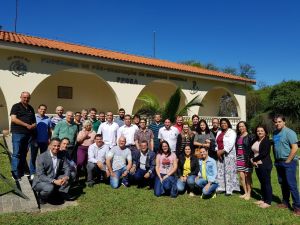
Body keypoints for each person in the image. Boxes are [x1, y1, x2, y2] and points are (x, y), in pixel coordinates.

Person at [273, 115, 300, 215]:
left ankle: (297, 207)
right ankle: (285, 202)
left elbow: (295, 148)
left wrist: (288, 160)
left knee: (291, 184)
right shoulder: (275, 133)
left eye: (279, 122)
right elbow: (275, 146)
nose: (277, 124)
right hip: (279, 162)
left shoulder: (290, 133)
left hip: (289, 162)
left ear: (284, 122)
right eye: (276, 122)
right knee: (282, 183)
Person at [32, 138, 71, 204]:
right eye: (54, 145)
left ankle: (59, 192)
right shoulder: (41, 157)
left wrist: (66, 177)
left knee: (71, 175)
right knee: (49, 187)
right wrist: (54, 181)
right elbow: (41, 175)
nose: (56, 148)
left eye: (58, 146)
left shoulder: (61, 155)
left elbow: (67, 167)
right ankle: (42, 197)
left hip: (54, 177)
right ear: (49, 145)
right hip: (40, 181)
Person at [10, 91, 36, 180]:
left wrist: (33, 125)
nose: (26, 99)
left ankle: (21, 171)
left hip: (28, 134)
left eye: (28, 98)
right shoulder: (16, 106)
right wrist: (26, 125)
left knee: (24, 154)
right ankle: (14, 173)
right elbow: (13, 119)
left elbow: (34, 121)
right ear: (20, 97)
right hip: (18, 132)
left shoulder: (30, 108)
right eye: (24, 97)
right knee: (16, 153)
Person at [215, 118, 240, 195]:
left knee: (229, 171)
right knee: (221, 171)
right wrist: (217, 151)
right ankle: (221, 187)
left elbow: (230, 144)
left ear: (228, 124)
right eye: (222, 123)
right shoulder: (219, 132)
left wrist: (221, 152)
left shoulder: (232, 132)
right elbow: (216, 143)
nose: (223, 124)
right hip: (220, 154)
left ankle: (229, 189)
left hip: (228, 155)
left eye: (225, 123)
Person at [250, 125, 273, 208]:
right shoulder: (255, 140)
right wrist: (252, 159)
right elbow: (251, 150)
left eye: (261, 131)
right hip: (257, 164)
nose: (259, 132)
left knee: (266, 183)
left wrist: (254, 159)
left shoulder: (267, 141)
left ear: (265, 132)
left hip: (265, 164)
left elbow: (264, 153)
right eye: (258, 131)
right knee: (262, 182)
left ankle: (268, 201)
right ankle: (263, 199)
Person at [29, 104, 51, 180]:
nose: (43, 110)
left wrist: (49, 138)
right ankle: (32, 172)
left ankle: (42, 172)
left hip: (44, 141)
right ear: (38, 109)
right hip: (34, 141)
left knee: (43, 158)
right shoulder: (33, 118)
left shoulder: (48, 119)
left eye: (44, 109)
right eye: (41, 109)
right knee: (33, 157)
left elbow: (49, 130)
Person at [235, 121, 253, 200]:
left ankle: (249, 193)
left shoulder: (250, 136)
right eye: (239, 127)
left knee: (247, 176)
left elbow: (252, 148)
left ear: (246, 127)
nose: (241, 128)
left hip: (247, 158)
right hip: (239, 157)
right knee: (241, 176)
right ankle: (245, 192)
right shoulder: (238, 136)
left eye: (242, 126)